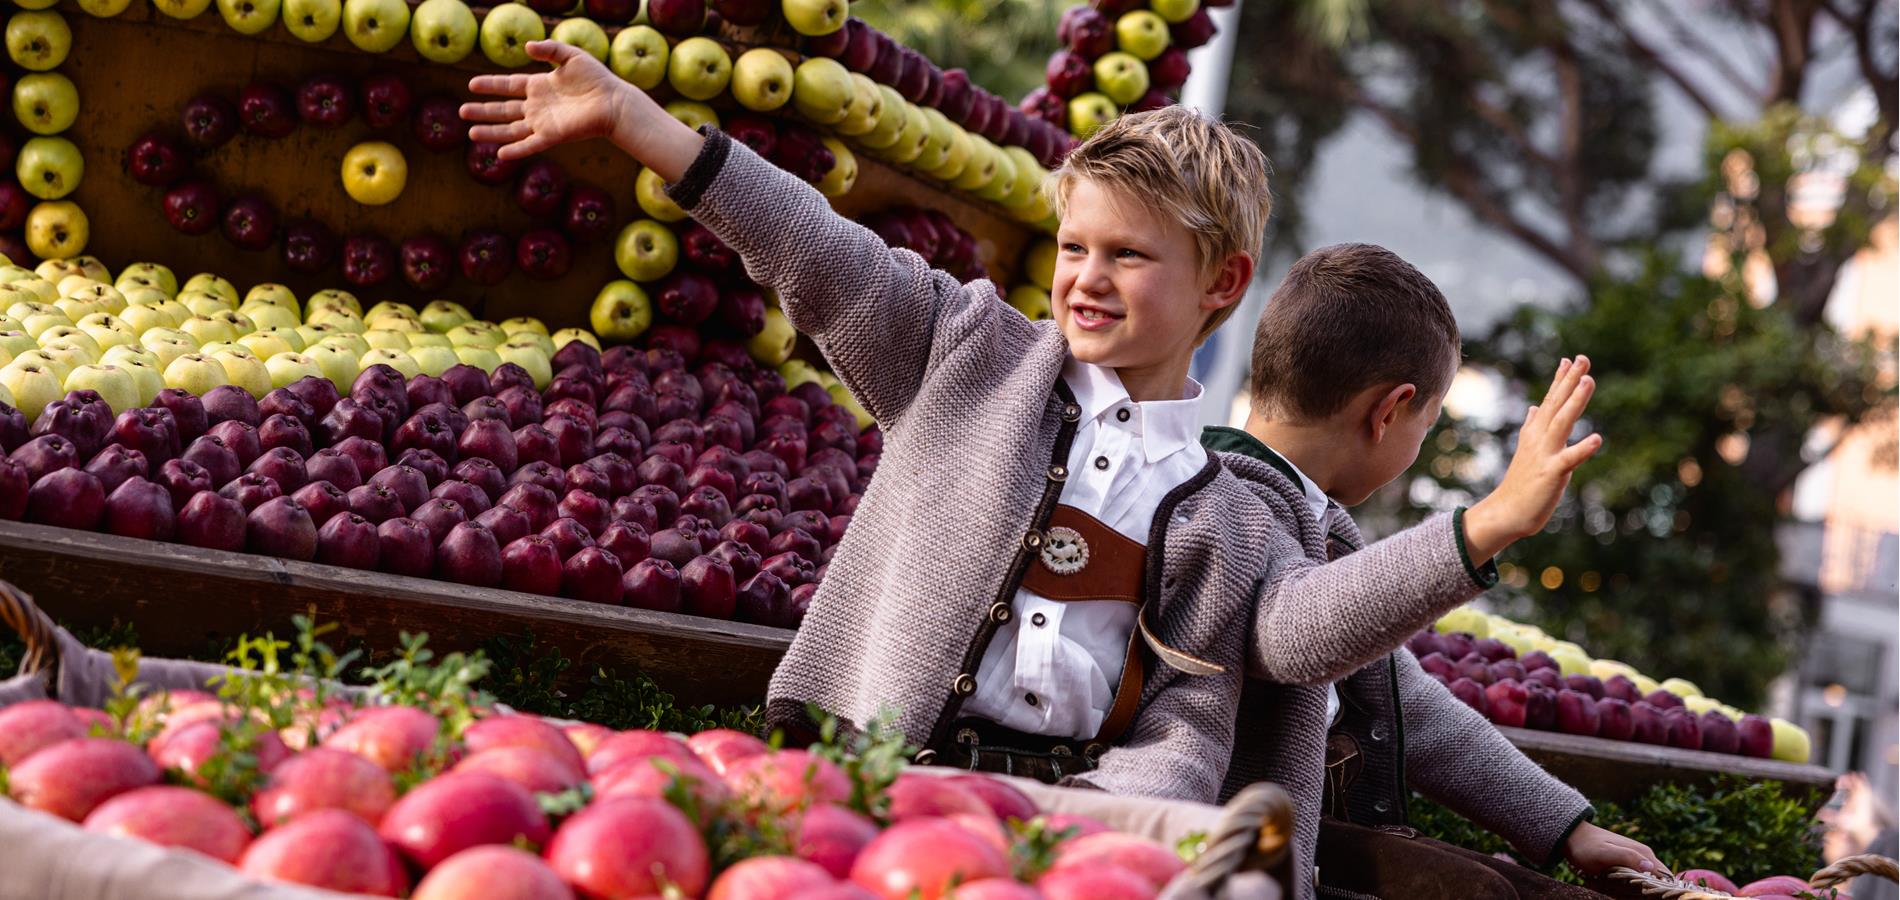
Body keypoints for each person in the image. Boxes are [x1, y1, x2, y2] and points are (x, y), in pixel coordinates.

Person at [462, 41, 1283, 802]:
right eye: (1074, 248)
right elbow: (813, 246)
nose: (1087, 280)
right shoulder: (970, 356)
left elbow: (1190, 726)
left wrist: (1104, 821)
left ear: (1223, 281)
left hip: (1061, 825)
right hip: (859, 783)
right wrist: (634, 120)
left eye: (1128, 255)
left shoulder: (1219, 513)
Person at [1204, 243, 1661, 898]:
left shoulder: (1314, 519)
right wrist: (1490, 522)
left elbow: (1406, 705)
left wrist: (1566, 828)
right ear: (1388, 411)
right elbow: (1293, 630)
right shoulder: (1222, 505)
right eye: (1428, 424)